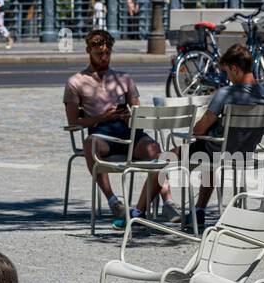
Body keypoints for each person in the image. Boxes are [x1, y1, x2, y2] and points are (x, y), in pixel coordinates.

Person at [63, 28, 180, 227]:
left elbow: (139, 112)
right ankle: (113, 201)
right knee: (90, 144)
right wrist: (102, 117)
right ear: (88, 51)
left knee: (156, 152)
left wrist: (131, 116)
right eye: (99, 54)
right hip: (102, 134)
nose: (104, 58)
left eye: (108, 53)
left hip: (128, 131)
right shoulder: (75, 82)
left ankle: (167, 202)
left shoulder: (123, 78)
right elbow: (74, 122)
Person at [184, 42, 264, 233]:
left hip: (219, 153)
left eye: (227, 72)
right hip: (247, 152)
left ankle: (139, 212)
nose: (227, 77)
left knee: (168, 158)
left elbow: (199, 129)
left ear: (234, 68)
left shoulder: (226, 93)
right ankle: (199, 209)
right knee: (209, 151)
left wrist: (197, 129)